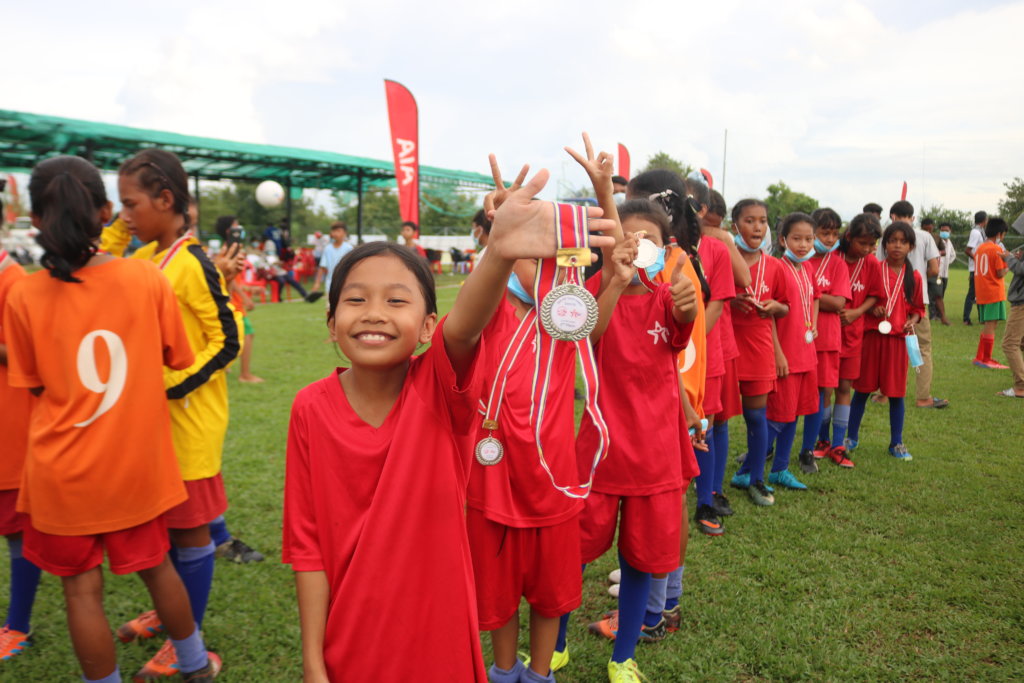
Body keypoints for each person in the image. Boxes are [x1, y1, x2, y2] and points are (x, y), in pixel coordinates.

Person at [282, 168, 616, 682]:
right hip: (348, 642)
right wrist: (311, 662)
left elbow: (465, 328)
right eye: (355, 300)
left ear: (427, 327)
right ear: (331, 325)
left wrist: (501, 250)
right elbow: (306, 546)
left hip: (437, 637)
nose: (374, 314)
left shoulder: (438, 389)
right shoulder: (309, 407)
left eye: (397, 300)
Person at [4, 155, 219, 682]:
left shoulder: (25, 293)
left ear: (35, 221)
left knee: (80, 590)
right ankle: (193, 662)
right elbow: (179, 357)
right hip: (135, 466)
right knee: (157, 566)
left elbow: (33, 382)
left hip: (61, 475)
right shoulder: (146, 279)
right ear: (105, 212)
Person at [466, 143, 621, 683]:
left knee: (551, 593)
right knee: (500, 591)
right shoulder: (488, 314)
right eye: (527, 257)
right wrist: (504, 232)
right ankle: (504, 671)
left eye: (547, 259)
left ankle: (539, 673)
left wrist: (604, 193)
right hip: (494, 481)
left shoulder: (562, 324)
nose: (538, 268)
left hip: (552, 482)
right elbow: (472, 301)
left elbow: (616, 256)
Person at [112, 149, 241, 679]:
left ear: (166, 200)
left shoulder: (191, 264)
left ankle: (190, 635)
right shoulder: (144, 259)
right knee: (165, 531)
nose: (124, 215)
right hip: (154, 428)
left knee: (190, 536)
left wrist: (168, 386)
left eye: (131, 205)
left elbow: (225, 339)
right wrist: (120, 230)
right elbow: (94, 262)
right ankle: (173, 616)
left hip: (188, 426)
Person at [572, 198, 697, 683]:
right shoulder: (587, 293)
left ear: (663, 248)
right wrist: (615, 281)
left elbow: (680, 337)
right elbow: (588, 334)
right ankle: (555, 643)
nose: (633, 245)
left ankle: (623, 655)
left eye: (644, 238)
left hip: (654, 456)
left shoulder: (671, 297)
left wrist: (687, 310)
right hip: (598, 454)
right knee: (574, 554)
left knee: (640, 558)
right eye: (624, 236)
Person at [736, 212, 819, 492]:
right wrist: (778, 353)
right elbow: (770, 315)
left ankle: (780, 469)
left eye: (809, 239)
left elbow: (810, 302)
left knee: (793, 413)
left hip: (805, 350)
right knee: (777, 415)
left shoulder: (806, 269)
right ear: (783, 240)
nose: (804, 245)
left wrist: (814, 326)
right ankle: (748, 467)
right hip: (784, 353)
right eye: (797, 238)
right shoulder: (777, 267)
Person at [728, 199, 790, 506]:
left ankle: (757, 479)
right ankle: (709, 485)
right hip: (724, 347)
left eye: (762, 221)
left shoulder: (776, 266)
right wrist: (728, 303)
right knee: (716, 421)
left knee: (756, 416)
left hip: (759, 348)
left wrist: (774, 308)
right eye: (749, 220)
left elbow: (786, 306)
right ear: (734, 226)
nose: (757, 226)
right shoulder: (721, 259)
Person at [847, 222, 925, 461]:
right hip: (872, 338)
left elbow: (917, 308)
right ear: (884, 244)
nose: (897, 245)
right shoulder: (874, 269)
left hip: (898, 342)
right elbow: (866, 299)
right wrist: (874, 310)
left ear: (910, 246)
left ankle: (896, 442)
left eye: (903, 241)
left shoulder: (914, 276)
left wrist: (912, 319)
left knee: (896, 394)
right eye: (892, 241)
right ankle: (850, 437)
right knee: (861, 390)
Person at [0, 237, 41, 662]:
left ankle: (17, 625)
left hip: (11, 432)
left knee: (17, 531)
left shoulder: (13, 280)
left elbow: (27, 355)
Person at [816, 213, 882, 467]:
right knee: (824, 389)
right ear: (848, 237)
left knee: (845, 388)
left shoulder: (872, 264)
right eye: (861, 243)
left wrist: (856, 312)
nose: (866, 249)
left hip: (853, 337)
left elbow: (875, 296)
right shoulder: (831, 259)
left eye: (871, 244)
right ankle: (822, 440)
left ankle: (839, 443)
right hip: (828, 335)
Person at [703, 189, 749, 522]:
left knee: (716, 419)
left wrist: (724, 238)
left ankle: (711, 490)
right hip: (676, 347)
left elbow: (744, 278)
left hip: (715, 344)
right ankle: (699, 485)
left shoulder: (717, 246)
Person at [878, 201, 947, 409]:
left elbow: (878, 267)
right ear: (913, 217)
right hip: (918, 302)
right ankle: (922, 396)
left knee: (889, 347)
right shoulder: (924, 236)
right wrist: (920, 281)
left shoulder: (885, 236)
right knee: (920, 348)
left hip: (889, 303)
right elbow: (934, 268)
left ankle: (884, 394)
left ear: (892, 215)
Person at [802, 208, 850, 471]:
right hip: (797, 339)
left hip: (827, 339)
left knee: (822, 393)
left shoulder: (838, 264)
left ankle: (811, 447)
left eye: (834, 233)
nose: (831, 239)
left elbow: (840, 302)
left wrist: (809, 294)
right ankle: (770, 448)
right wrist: (820, 296)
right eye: (824, 233)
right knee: (786, 395)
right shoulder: (799, 260)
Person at [972, 218, 1011, 369]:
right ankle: (986, 359)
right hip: (993, 291)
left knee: (988, 324)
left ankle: (980, 357)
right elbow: (1000, 273)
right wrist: (1009, 263)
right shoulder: (997, 249)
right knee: (991, 325)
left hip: (982, 291)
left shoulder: (980, 248)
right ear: (999, 234)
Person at [999, 240, 1024, 397]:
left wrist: (1009, 258)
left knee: (1010, 344)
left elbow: (1021, 270)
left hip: (1021, 303)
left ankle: (1021, 386)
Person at [310, 221, 353, 297]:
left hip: (346, 284)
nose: (336, 233)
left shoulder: (349, 248)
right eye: (334, 231)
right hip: (330, 285)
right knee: (330, 307)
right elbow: (322, 267)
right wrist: (317, 283)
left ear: (345, 233)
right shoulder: (328, 249)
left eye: (338, 231)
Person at [963, 211, 988, 324]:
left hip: (980, 268)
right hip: (976, 268)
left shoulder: (980, 231)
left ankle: (981, 318)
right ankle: (966, 319)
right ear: (984, 220)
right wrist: (978, 260)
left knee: (981, 294)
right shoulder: (976, 232)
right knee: (972, 294)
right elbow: (968, 250)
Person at [932, 222, 956, 325]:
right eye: (942, 230)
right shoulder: (937, 241)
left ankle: (938, 314)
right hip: (938, 273)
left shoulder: (949, 242)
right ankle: (933, 315)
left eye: (946, 230)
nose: (944, 232)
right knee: (936, 294)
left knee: (942, 293)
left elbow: (953, 255)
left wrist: (947, 263)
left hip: (946, 273)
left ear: (950, 231)